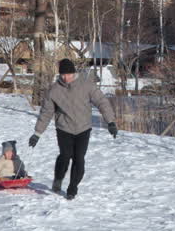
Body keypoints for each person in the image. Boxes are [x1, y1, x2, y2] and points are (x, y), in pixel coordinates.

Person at [29, 58, 117, 200]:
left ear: (74, 73)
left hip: (83, 128)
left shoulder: (86, 85)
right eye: (63, 75)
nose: (66, 77)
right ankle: (58, 178)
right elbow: (46, 112)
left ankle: (72, 187)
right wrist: (37, 133)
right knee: (65, 156)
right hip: (64, 128)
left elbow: (102, 101)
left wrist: (111, 122)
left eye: (69, 74)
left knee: (79, 159)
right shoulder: (54, 90)